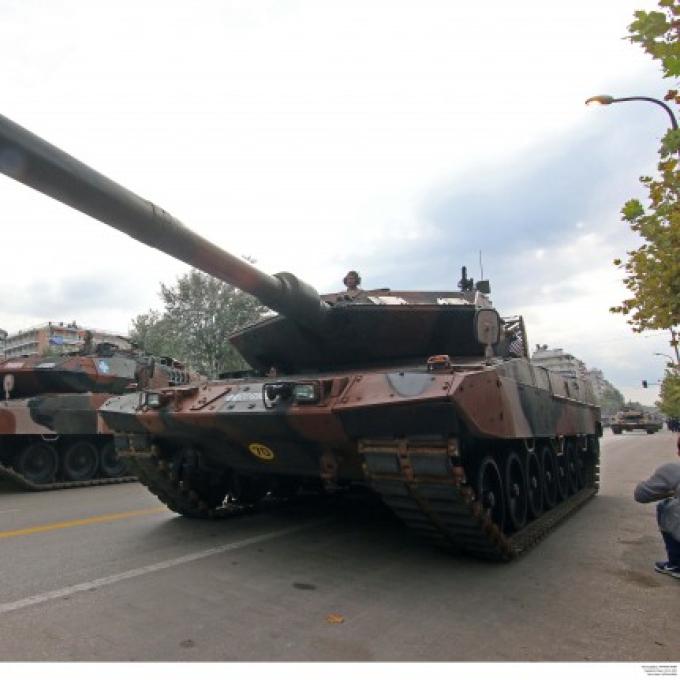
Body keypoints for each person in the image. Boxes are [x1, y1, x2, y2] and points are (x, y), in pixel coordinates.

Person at [634, 435, 680, 578]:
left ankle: (676, 564)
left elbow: (640, 495)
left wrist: (670, 491)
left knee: (665, 506)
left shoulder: (672, 470)